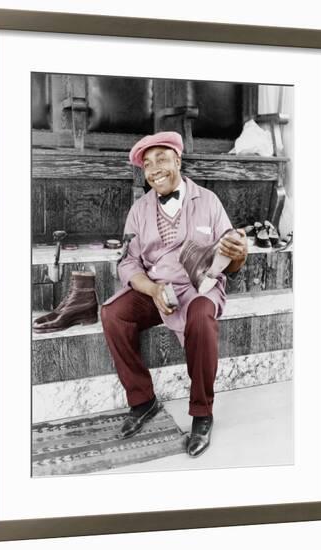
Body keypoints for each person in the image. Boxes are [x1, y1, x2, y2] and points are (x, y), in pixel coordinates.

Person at [100, 131, 248, 457]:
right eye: (147, 164)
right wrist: (152, 289)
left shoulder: (207, 200)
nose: (154, 169)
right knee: (113, 314)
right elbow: (127, 262)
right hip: (157, 287)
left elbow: (231, 262)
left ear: (178, 160)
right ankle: (142, 401)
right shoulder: (138, 210)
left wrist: (239, 252)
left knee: (201, 316)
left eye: (162, 159)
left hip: (198, 288)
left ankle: (202, 413)